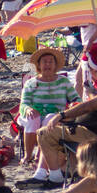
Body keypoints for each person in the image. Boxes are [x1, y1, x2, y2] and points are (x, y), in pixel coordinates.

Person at [17, 46, 75, 175]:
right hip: (34, 115)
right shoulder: (31, 83)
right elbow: (24, 103)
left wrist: (72, 106)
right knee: (34, 118)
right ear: (38, 65)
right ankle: (28, 155)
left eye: (50, 61)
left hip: (56, 116)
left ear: (55, 65)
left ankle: (39, 157)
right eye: (44, 61)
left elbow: (76, 98)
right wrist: (28, 109)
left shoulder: (64, 81)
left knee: (50, 118)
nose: (47, 64)